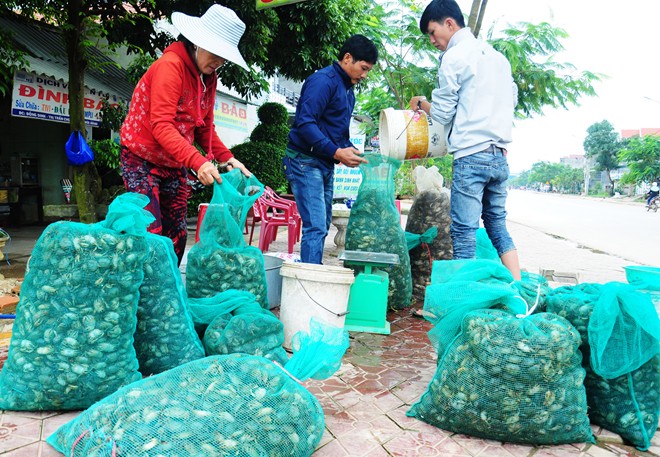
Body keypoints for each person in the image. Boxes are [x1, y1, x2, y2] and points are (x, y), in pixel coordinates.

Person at [120, 4, 251, 264]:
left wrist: (227, 158)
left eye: (224, 57)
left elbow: (204, 127)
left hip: (173, 161)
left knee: (177, 235)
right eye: (216, 53)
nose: (219, 62)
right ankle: (145, 296)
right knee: (150, 233)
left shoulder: (208, 77)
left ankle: (167, 293)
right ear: (198, 43)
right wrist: (199, 161)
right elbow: (161, 126)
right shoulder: (171, 66)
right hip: (141, 159)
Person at [409, 0, 521, 280]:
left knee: (463, 231)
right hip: (499, 156)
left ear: (450, 23)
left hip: (471, 156)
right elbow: (512, 99)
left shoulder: (454, 56)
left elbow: (444, 113)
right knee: (497, 226)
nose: (433, 40)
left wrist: (422, 103)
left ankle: (463, 300)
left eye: (433, 32)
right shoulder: (498, 58)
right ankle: (518, 286)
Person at [283, 34, 378, 264]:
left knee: (322, 224)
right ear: (347, 58)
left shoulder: (348, 90)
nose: (364, 75)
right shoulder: (323, 81)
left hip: (324, 162)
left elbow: (336, 133)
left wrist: (352, 151)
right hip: (304, 161)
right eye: (363, 68)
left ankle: (312, 272)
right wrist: (337, 152)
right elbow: (305, 123)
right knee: (315, 226)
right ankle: (310, 283)